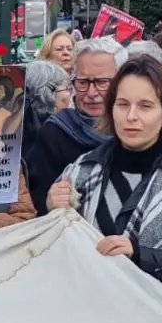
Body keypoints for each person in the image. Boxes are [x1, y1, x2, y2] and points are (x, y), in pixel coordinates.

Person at [46, 56, 162, 323]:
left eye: (145, 106)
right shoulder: (82, 171)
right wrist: (53, 210)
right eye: (122, 105)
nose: (131, 117)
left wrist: (139, 255)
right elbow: (57, 255)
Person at [28, 36, 125, 214]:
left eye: (102, 82)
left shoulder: (135, 130)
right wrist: (50, 202)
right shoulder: (55, 133)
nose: (91, 93)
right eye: (83, 82)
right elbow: (36, 204)